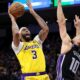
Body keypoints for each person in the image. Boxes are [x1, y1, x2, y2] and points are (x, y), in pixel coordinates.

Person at [8, 0, 50, 80]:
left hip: (44, 76)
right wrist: (13, 19)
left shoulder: (37, 41)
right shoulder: (18, 46)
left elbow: (45, 29)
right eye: (23, 30)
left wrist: (32, 11)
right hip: (29, 77)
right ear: (20, 37)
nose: (26, 30)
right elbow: (16, 33)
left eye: (27, 29)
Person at [56, 0, 80, 80]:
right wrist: (78, 28)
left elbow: (62, 23)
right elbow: (77, 40)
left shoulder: (68, 45)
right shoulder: (78, 53)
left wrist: (59, 4)